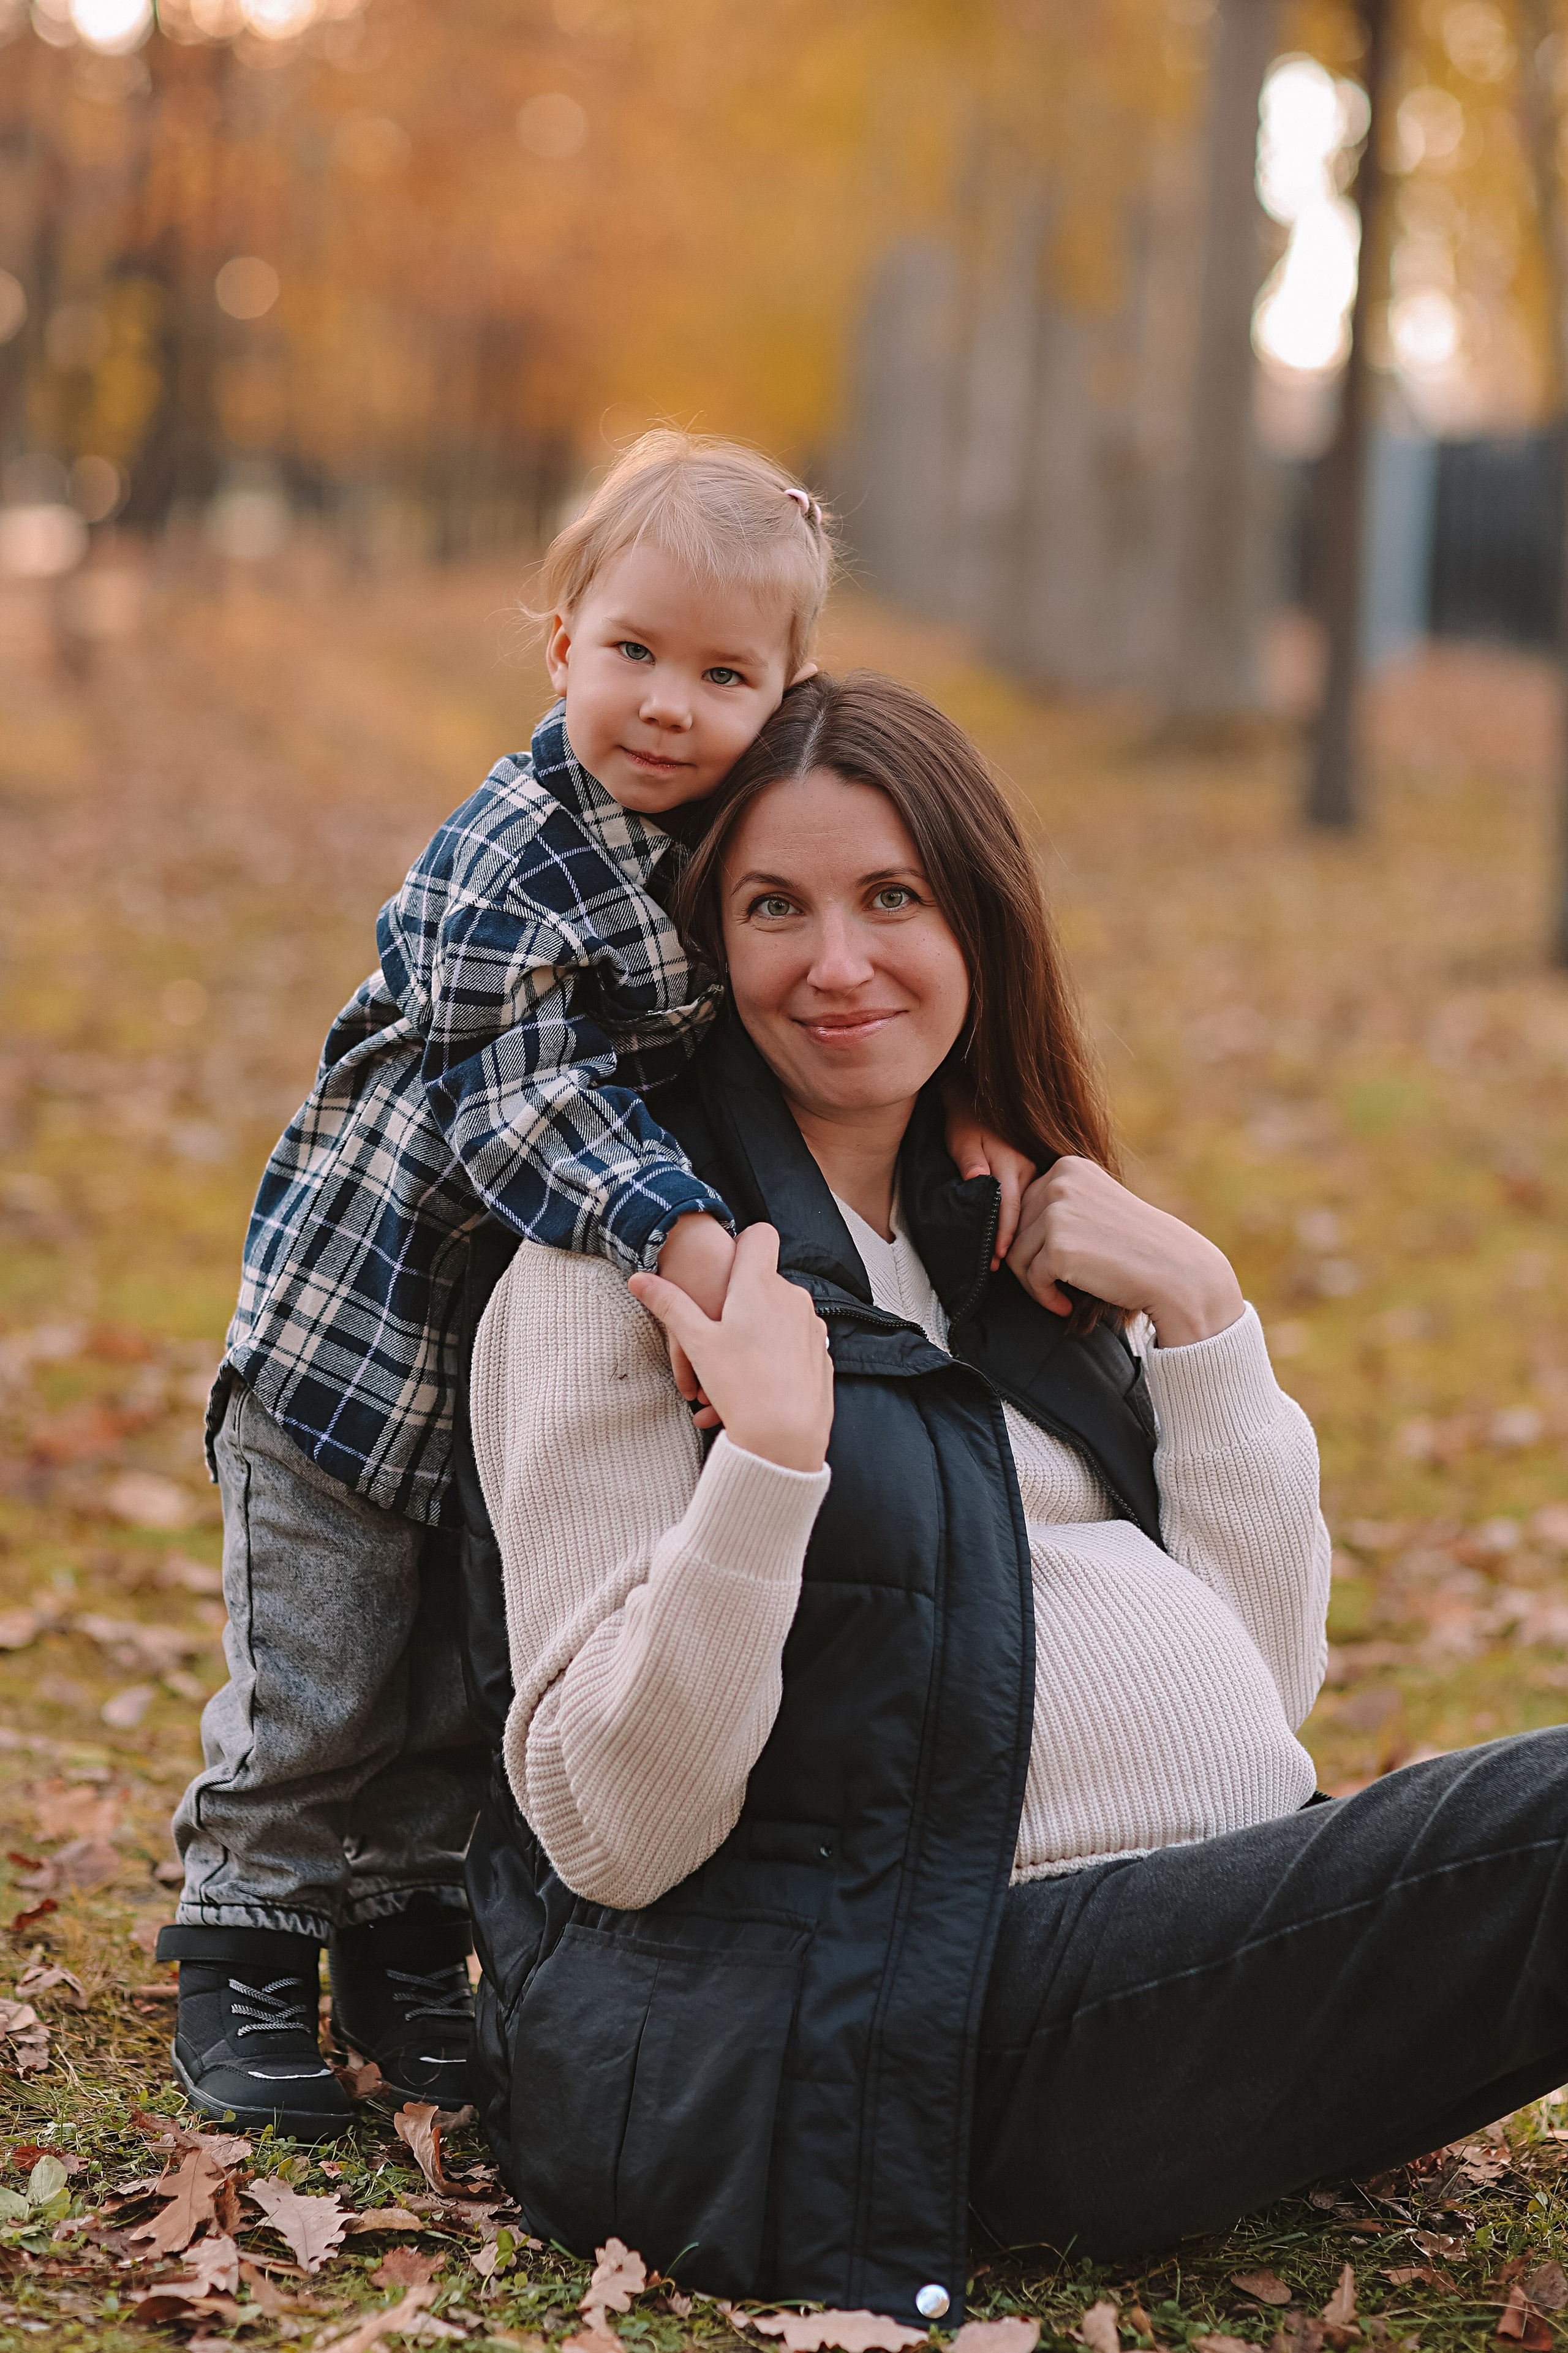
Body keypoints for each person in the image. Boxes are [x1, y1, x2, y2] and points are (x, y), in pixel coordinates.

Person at [461, 669, 1568, 2323]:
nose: (839, 962)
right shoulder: (610, 1274)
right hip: (916, 2020)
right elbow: (609, 1831)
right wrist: (763, 1467)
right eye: (777, 905)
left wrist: (1201, 1312)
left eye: (890, 895)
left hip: (1177, 1954)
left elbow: (1265, 1697)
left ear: (979, 923)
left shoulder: (990, 1233)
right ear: (710, 941)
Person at [160, 436, 1028, 2139]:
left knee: (450, 1691)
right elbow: (530, 1100)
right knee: (323, 1682)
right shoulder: (519, 848)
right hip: (349, 1358)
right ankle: (244, 1942)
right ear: (561, 644)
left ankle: (402, 1952)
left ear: (782, 697)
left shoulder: (709, 844)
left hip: (486, 1379)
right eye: (633, 652)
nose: (665, 704)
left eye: (723, 673)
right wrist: (697, 1246)